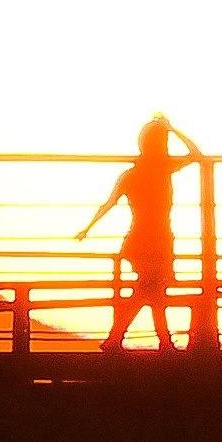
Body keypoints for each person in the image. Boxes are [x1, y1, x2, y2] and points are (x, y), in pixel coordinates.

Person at [76, 115, 202, 351]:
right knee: (153, 291)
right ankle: (137, 340)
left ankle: (123, 340)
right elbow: (196, 154)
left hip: (139, 239)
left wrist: (88, 229)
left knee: (151, 291)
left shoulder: (131, 175)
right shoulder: (164, 168)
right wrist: (173, 129)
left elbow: (108, 204)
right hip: (158, 240)